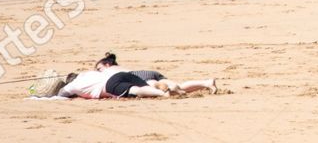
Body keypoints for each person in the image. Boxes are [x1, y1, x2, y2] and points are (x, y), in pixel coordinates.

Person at [59, 53, 218, 99]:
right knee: (173, 84)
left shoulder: (104, 71)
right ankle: (205, 83)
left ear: (106, 64)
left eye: (99, 67)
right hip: (142, 72)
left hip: (133, 76)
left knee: (144, 89)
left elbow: (61, 94)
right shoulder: (94, 73)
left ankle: (166, 91)